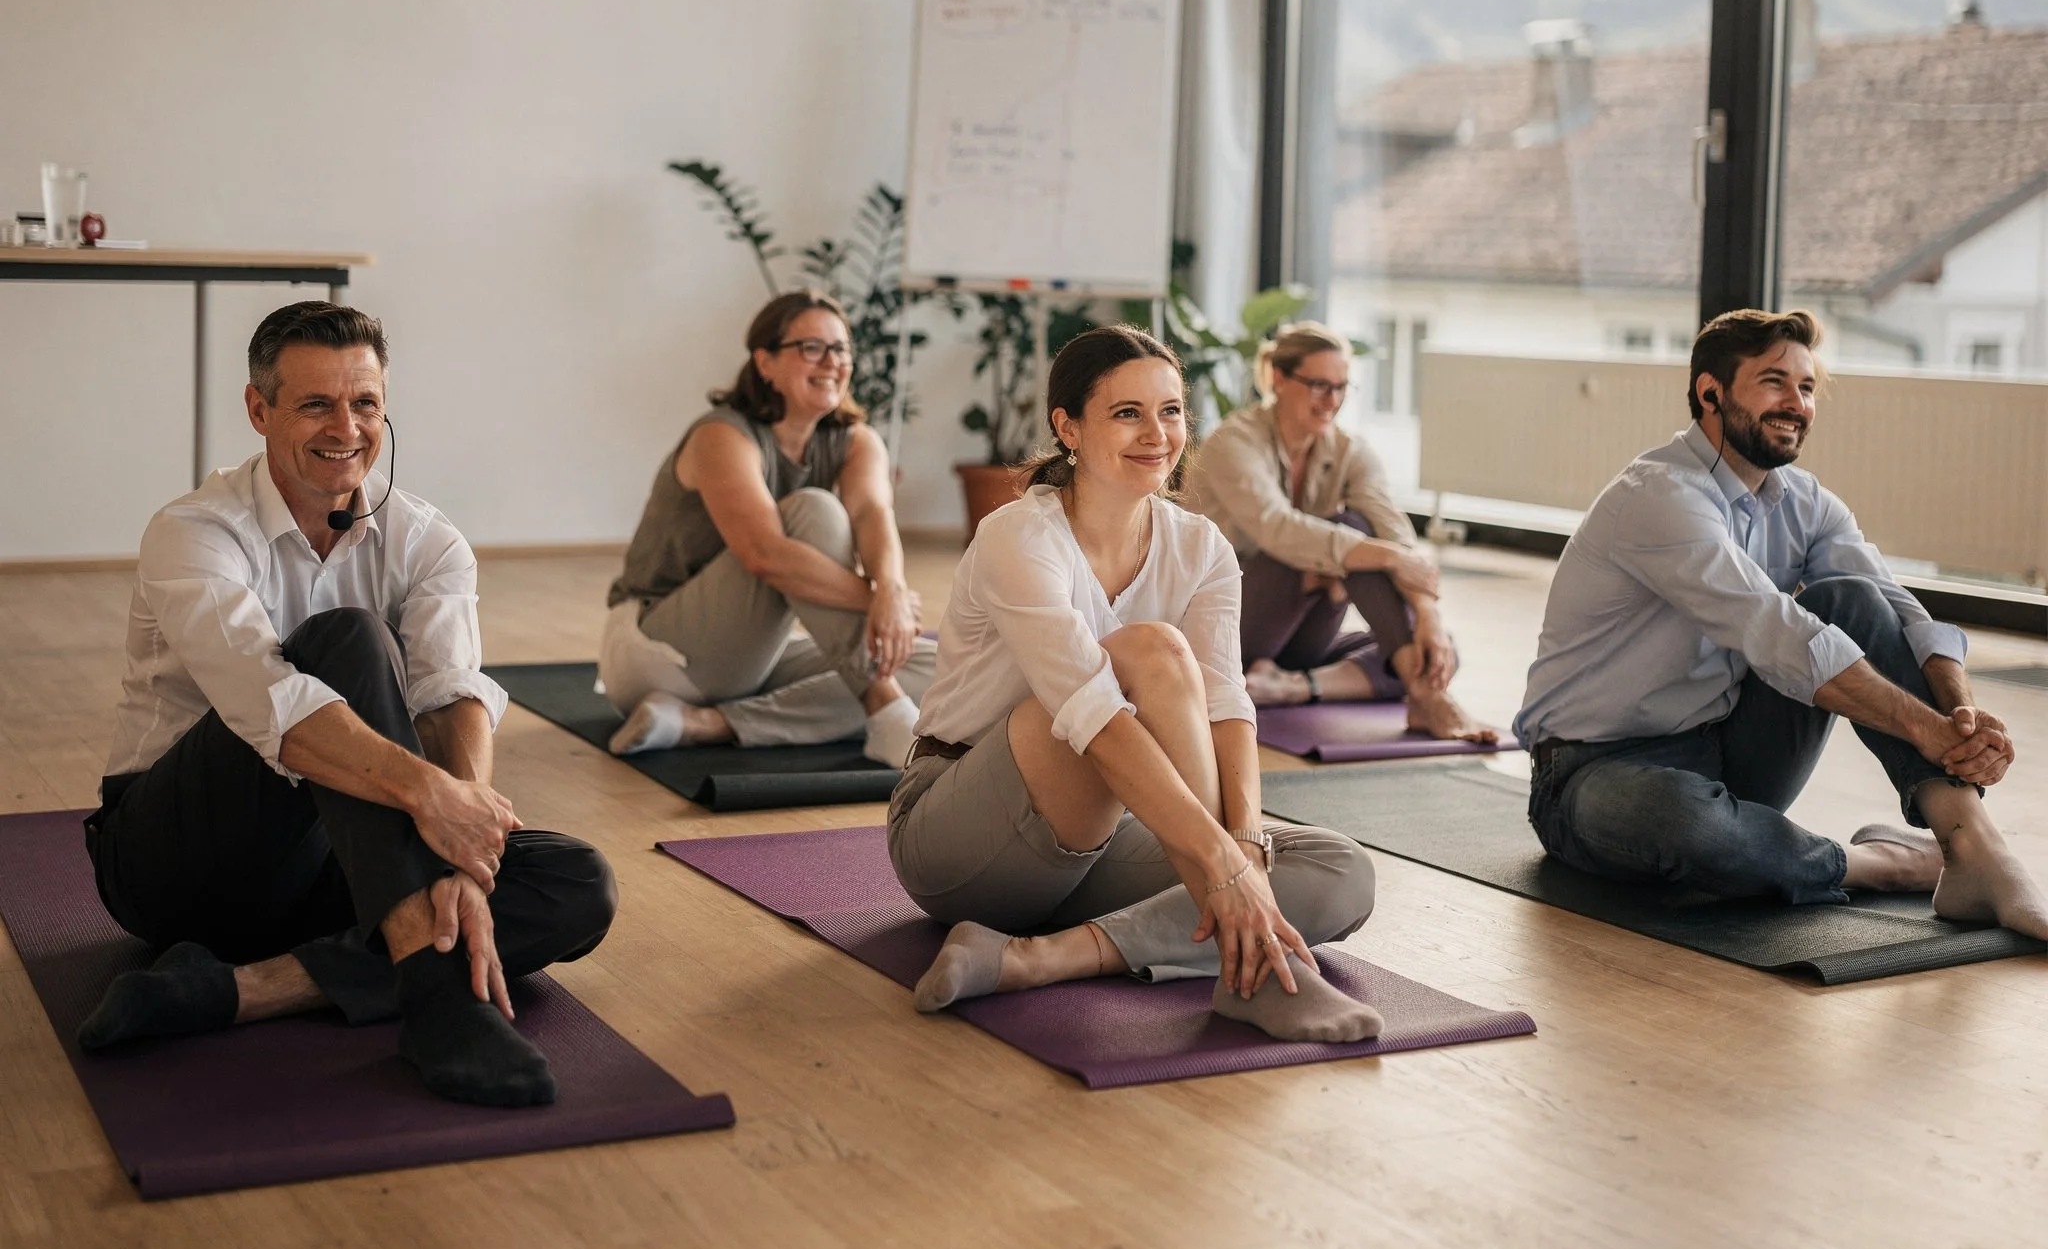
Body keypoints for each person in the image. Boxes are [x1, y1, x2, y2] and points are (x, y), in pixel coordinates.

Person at [79, 302, 617, 1108]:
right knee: (351, 641)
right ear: (258, 410)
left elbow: (450, 695)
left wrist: (462, 850)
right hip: (176, 858)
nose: (347, 427)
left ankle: (238, 991)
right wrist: (433, 798)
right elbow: (276, 708)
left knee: (578, 881)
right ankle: (440, 1002)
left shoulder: (429, 540)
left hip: (334, 858)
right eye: (315, 404)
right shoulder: (193, 532)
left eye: (364, 403)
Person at [889, 325, 1383, 1043]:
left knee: (1340, 870)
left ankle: (1039, 959)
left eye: (1172, 411)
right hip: (963, 837)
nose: (1158, 433)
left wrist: (1241, 851)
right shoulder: (1018, 538)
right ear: (1068, 428)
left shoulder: (1200, 545)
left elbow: (1226, 704)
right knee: (1149, 652)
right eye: (1128, 413)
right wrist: (1223, 869)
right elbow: (1093, 718)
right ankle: (1258, 962)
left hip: (1105, 830)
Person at [1517, 307, 2048, 936]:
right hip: (1592, 774)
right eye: (1774, 381)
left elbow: (1894, 609)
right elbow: (1775, 632)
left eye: (1806, 387)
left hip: (1730, 746)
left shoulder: (1805, 500)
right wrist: (1927, 731)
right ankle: (1887, 864)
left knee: (1848, 595)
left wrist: (1958, 715)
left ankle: (1977, 851)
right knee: (1691, 826)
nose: (1796, 402)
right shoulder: (1658, 496)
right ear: (1710, 392)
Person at [601, 290, 933, 767]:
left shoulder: (856, 441)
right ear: (765, 363)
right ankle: (883, 707)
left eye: (840, 349)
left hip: (752, 655)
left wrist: (895, 588)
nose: (832, 361)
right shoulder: (722, 435)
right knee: (814, 512)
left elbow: (873, 514)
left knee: (942, 668)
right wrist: (880, 600)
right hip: (656, 650)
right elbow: (764, 555)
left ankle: (706, 724)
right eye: (811, 348)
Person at [1181, 320, 1495, 742]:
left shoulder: (1350, 450)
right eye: (1319, 385)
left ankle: (1289, 687)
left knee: (1437, 652)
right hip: (1228, 629)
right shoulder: (1232, 442)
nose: (1333, 400)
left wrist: (1428, 615)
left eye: (1342, 387)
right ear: (1279, 378)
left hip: (1296, 643)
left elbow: (1396, 535)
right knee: (1353, 534)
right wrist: (1380, 557)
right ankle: (1425, 696)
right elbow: (1278, 530)